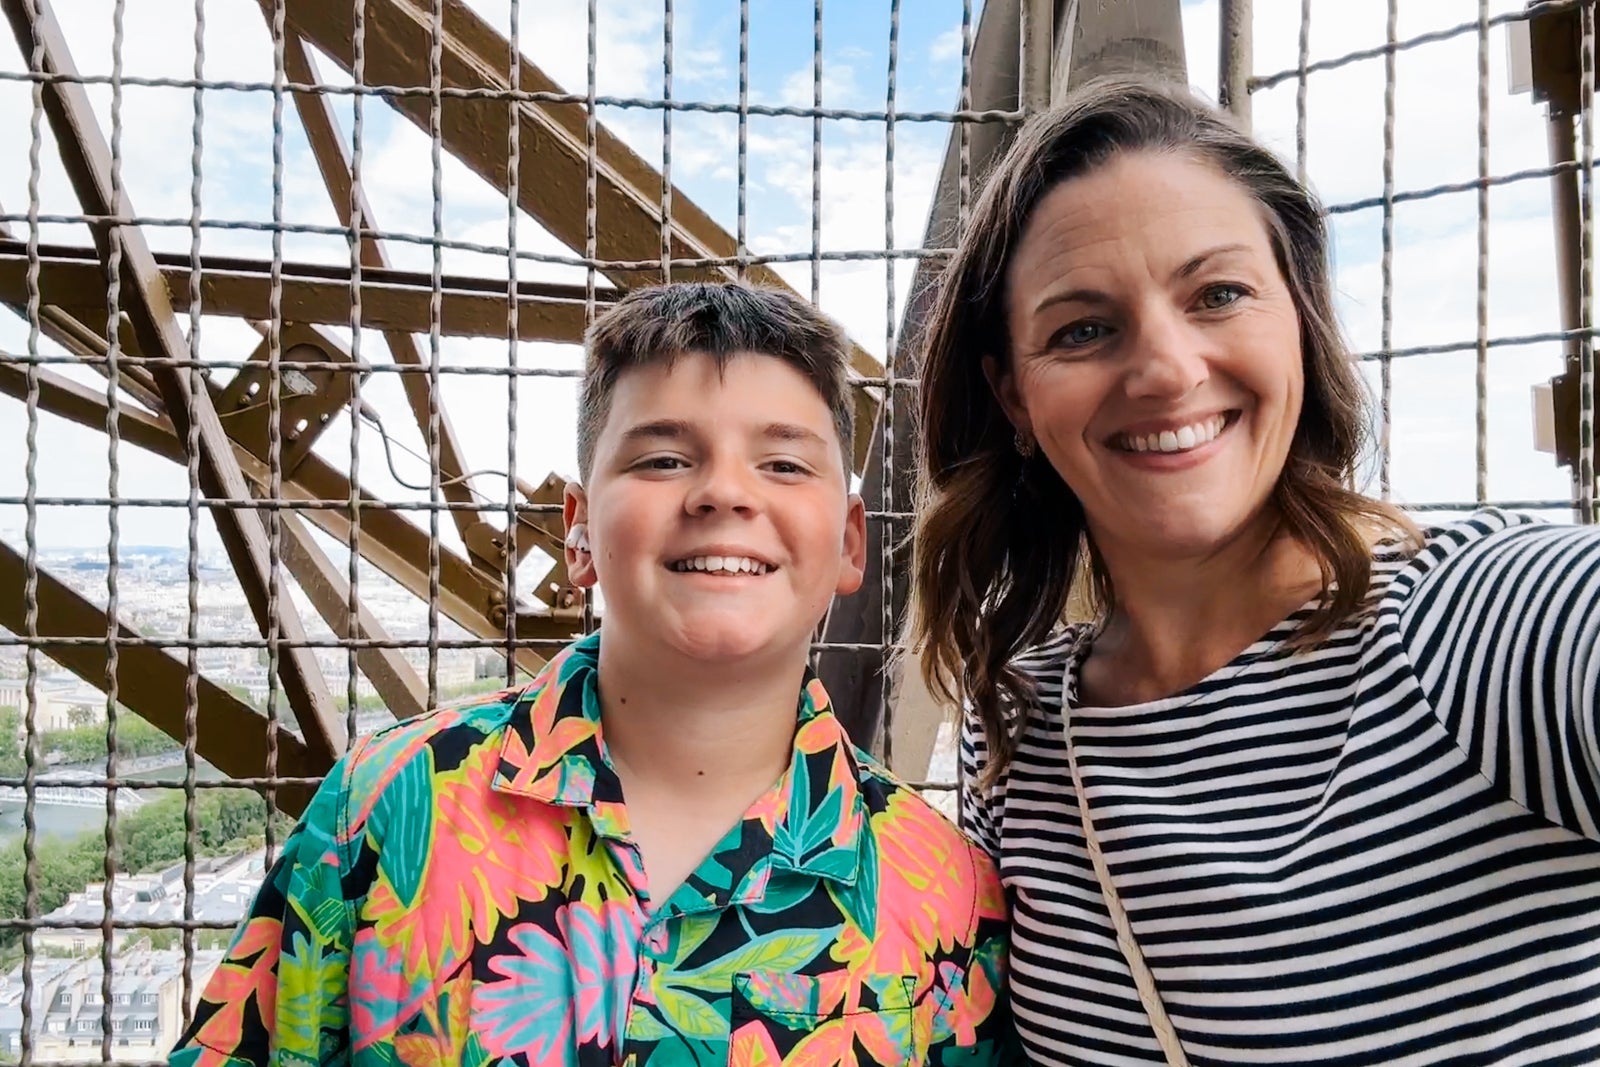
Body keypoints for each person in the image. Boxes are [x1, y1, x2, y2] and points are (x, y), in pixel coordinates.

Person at [909, 74, 1600, 1067]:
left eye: (1218, 294)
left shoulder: (1476, 627)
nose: (1165, 368)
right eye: (1083, 328)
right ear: (1013, 395)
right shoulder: (1018, 727)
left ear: (1301, 315)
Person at [170, 283, 1010, 1067]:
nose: (723, 490)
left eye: (784, 464)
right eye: (662, 460)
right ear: (577, 534)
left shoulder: (944, 900)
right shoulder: (388, 806)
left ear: (851, 542)